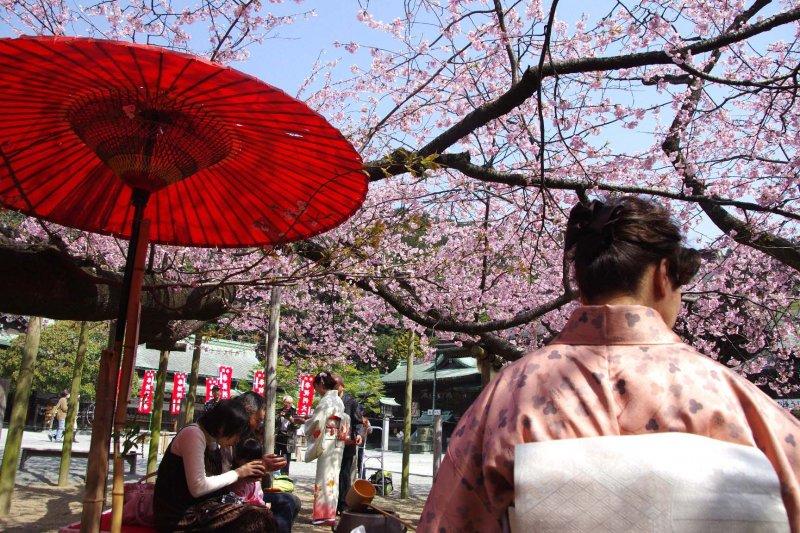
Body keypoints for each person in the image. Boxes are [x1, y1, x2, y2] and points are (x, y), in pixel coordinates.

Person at [420, 196, 800, 532]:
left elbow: (449, 521)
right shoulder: (730, 395)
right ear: (664, 275)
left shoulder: (508, 394)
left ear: (581, 282)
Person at [153, 399, 275, 532]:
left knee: (262, 513)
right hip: (180, 517)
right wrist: (238, 473)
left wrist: (251, 472)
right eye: (237, 433)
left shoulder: (212, 440)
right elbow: (198, 487)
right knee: (258, 517)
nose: (238, 440)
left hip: (201, 509)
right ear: (223, 427)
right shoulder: (193, 434)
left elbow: (219, 483)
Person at [231, 391, 301, 533]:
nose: (259, 426)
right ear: (247, 413)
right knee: (285, 503)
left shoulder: (245, 433)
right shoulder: (231, 434)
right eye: (258, 420)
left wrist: (264, 465)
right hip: (235, 494)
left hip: (247, 490)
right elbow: (234, 470)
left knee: (292, 500)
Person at [303, 371, 348, 526]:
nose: (315, 390)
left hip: (328, 441)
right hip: (336, 442)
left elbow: (317, 422)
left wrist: (305, 424)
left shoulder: (327, 401)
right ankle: (329, 514)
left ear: (321, 384)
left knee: (324, 477)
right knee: (332, 478)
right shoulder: (338, 400)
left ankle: (322, 515)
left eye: (315, 386)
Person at [333, 374, 365, 513]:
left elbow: (357, 420)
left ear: (342, 386)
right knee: (332, 473)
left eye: (336, 386)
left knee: (344, 474)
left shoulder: (351, 401)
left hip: (347, 442)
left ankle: (343, 504)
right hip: (331, 442)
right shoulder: (329, 400)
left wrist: (358, 433)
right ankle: (331, 504)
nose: (334, 389)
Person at [230, 438, 267, 506]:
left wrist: (263, 504)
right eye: (248, 461)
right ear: (238, 459)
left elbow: (260, 497)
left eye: (256, 461)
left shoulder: (256, 482)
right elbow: (237, 505)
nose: (252, 464)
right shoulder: (236, 482)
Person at [276, 395, 300, 475]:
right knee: (276, 455)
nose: (288, 405)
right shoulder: (279, 411)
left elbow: (298, 426)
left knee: (286, 457)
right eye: (286, 403)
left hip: (289, 437)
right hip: (279, 435)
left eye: (290, 403)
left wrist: (291, 420)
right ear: (283, 402)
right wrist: (279, 416)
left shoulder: (294, 412)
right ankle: (275, 474)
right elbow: (274, 423)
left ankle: (284, 475)